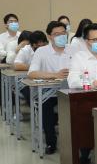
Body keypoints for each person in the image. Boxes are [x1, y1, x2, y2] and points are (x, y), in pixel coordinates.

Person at [28, 21, 74, 153]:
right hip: (50, 92)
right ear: (49, 36)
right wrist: (55, 75)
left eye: (63, 33)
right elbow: (32, 73)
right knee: (45, 106)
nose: (61, 36)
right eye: (56, 34)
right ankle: (51, 142)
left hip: (71, 90)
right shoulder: (42, 51)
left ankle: (80, 145)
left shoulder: (74, 49)